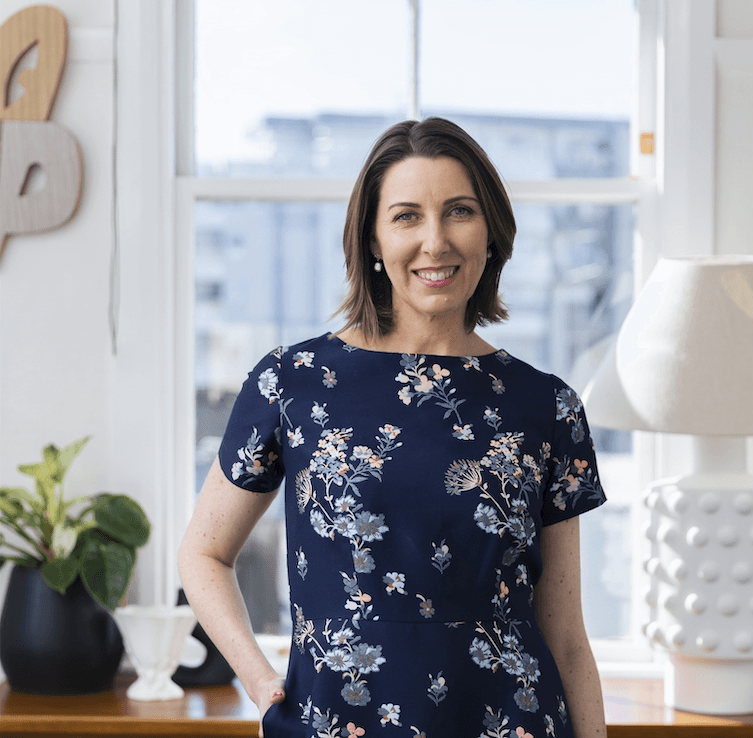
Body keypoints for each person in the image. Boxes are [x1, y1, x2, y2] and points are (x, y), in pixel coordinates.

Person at [178, 117, 608, 738]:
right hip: (336, 721)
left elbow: (566, 634)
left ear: (491, 232)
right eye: (407, 216)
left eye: (459, 211)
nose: (435, 242)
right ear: (373, 240)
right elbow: (203, 552)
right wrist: (260, 679)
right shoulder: (291, 382)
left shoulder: (547, 406)